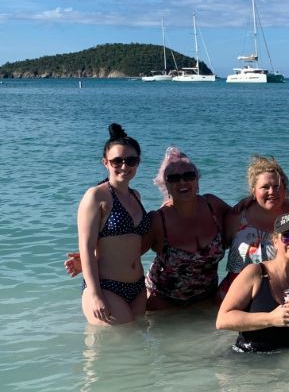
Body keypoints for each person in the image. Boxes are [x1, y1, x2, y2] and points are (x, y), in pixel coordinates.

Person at [216, 212, 289, 352]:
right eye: (287, 235)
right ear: (275, 241)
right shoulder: (255, 273)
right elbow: (222, 320)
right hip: (250, 357)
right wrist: (271, 319)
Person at [77, 123, 152, 325]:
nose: (124, 166)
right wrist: (95, 295)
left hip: (137, 287)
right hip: (106, 287)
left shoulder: (136, 196)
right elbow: (86, 247)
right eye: (117, 161)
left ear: (138, 162)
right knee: (121, 338)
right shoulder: (96, 196)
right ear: (105, 162)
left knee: (136, 340)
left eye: (131, 160)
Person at [145, 147, 230, 309]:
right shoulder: (158, 219)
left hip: (206, 300)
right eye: (174, 178)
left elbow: (244, 222)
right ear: (166, 184)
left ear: (197, 180)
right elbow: (129, 255)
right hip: (162, 303)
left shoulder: (213, 206)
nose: (182, 182)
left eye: (189, 176)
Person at [218, 155, 289, 300]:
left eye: (276, 186)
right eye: (265, 187)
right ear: (253, 191)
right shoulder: (238, 216)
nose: (272, 191)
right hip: (234, 294)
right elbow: (218, 249)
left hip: (278, 295)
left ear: (285, 188)